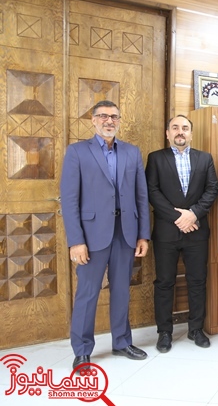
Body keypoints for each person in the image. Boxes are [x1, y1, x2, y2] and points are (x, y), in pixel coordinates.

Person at [60, 100, 151, 370]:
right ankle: (82, 350)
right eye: (103, 116)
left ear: (119, 120)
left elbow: (141, 196)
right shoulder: (77, 152)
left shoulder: (132, 152)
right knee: (87, 293)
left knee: (121, 291)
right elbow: (69, 199)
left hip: (126, 233)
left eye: (114, 116)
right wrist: (76, 241)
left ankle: (122, 342)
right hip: (91, 236)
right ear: (93, 120)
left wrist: (143, 235)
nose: (109, 121)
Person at [146, 115, 218, 353]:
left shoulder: (205, 158)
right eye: (175, 128)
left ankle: (196, 329)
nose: (180, 131)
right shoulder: (156, 158)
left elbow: (212, 189)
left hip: (196, 231)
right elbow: (152, 191)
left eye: (185, 128)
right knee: (164, 282)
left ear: (191, 133)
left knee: (197, 281)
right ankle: (164, 332)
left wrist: (193, 214)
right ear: (167, 133)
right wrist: (179, 218)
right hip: (166, 232)